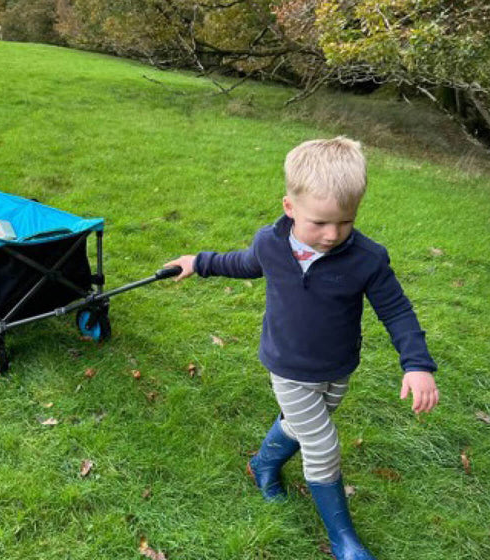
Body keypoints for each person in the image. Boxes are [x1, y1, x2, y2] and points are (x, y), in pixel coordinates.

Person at [162, 136, 440, 560]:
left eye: (345, 222)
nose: (332, 235)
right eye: (320, 222)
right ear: (289, 207)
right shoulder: (271, 244)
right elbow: (242, 263)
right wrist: (198, 261)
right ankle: (344, 539)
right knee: (322, 445)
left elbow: (397, 310)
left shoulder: (367, 259)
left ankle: (263, 463)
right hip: (288, 366)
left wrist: (416, 364)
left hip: (337, 367)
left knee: (301, 424)